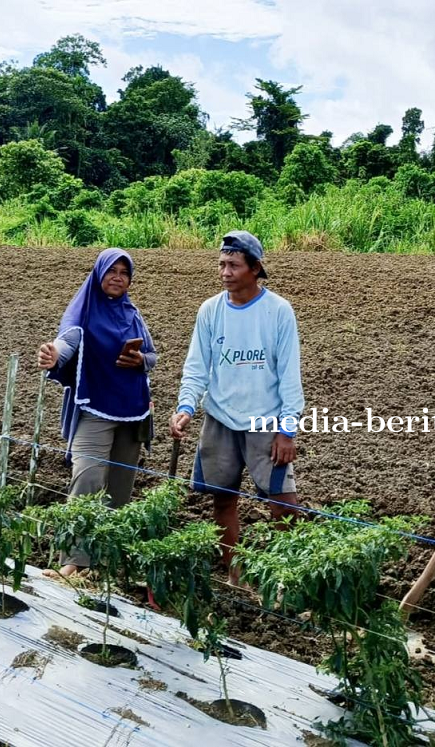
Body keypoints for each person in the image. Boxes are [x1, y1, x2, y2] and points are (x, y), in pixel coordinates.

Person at [170, 230, 304, 586]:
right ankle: (235, 575)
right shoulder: (211, 310)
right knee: (223, 499)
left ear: (255, 268)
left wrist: (287, 429)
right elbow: (197, 366)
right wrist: (186, 407)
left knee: (284, 505)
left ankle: (290, 580)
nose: (225, 272)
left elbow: (290, 374)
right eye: (221, 264)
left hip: (265, 419)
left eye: (233, 265)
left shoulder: (277, 311)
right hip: (220, 418)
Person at [37, 248, 157, 577]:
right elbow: (69, 339)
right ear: (98, 274)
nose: (118, 277)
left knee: (119, 490)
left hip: (132, 412)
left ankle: (103, 564)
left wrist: (140, 360)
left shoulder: (132, 313)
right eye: (111, 271)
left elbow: (152, 355)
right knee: (87, 480)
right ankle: (73, 562)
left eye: (124, 272)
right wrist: (53, 354)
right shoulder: (84, 311)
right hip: (95, 409)